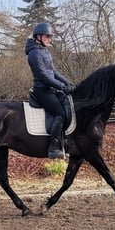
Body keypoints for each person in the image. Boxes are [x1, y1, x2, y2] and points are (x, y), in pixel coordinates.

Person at [25, 22, 74, 159]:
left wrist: (67, 82)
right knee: (60, 114)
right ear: (38, 37)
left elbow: (53, 71)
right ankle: (53, 148)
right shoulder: (34, 53)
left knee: (67, 107)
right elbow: (43, 76)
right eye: (47, 36)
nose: (50, 39)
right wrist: (62, 87)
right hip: (42, 90)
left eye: (50, 37)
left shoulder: (44, 51)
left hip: (50, 88)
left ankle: (64, 142)